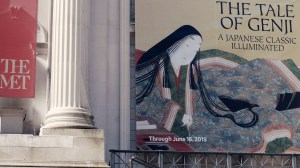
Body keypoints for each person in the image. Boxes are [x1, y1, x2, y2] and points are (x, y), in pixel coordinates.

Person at [136, 25, 259, 139]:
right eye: (188, 45)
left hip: (192, 128)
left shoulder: (192, 71)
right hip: (157, 133)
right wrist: (177, 113)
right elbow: (140, 102)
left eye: (195, 49)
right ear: (174, 42)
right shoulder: (151, 67)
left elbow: (204, 98)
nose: (190, 53)